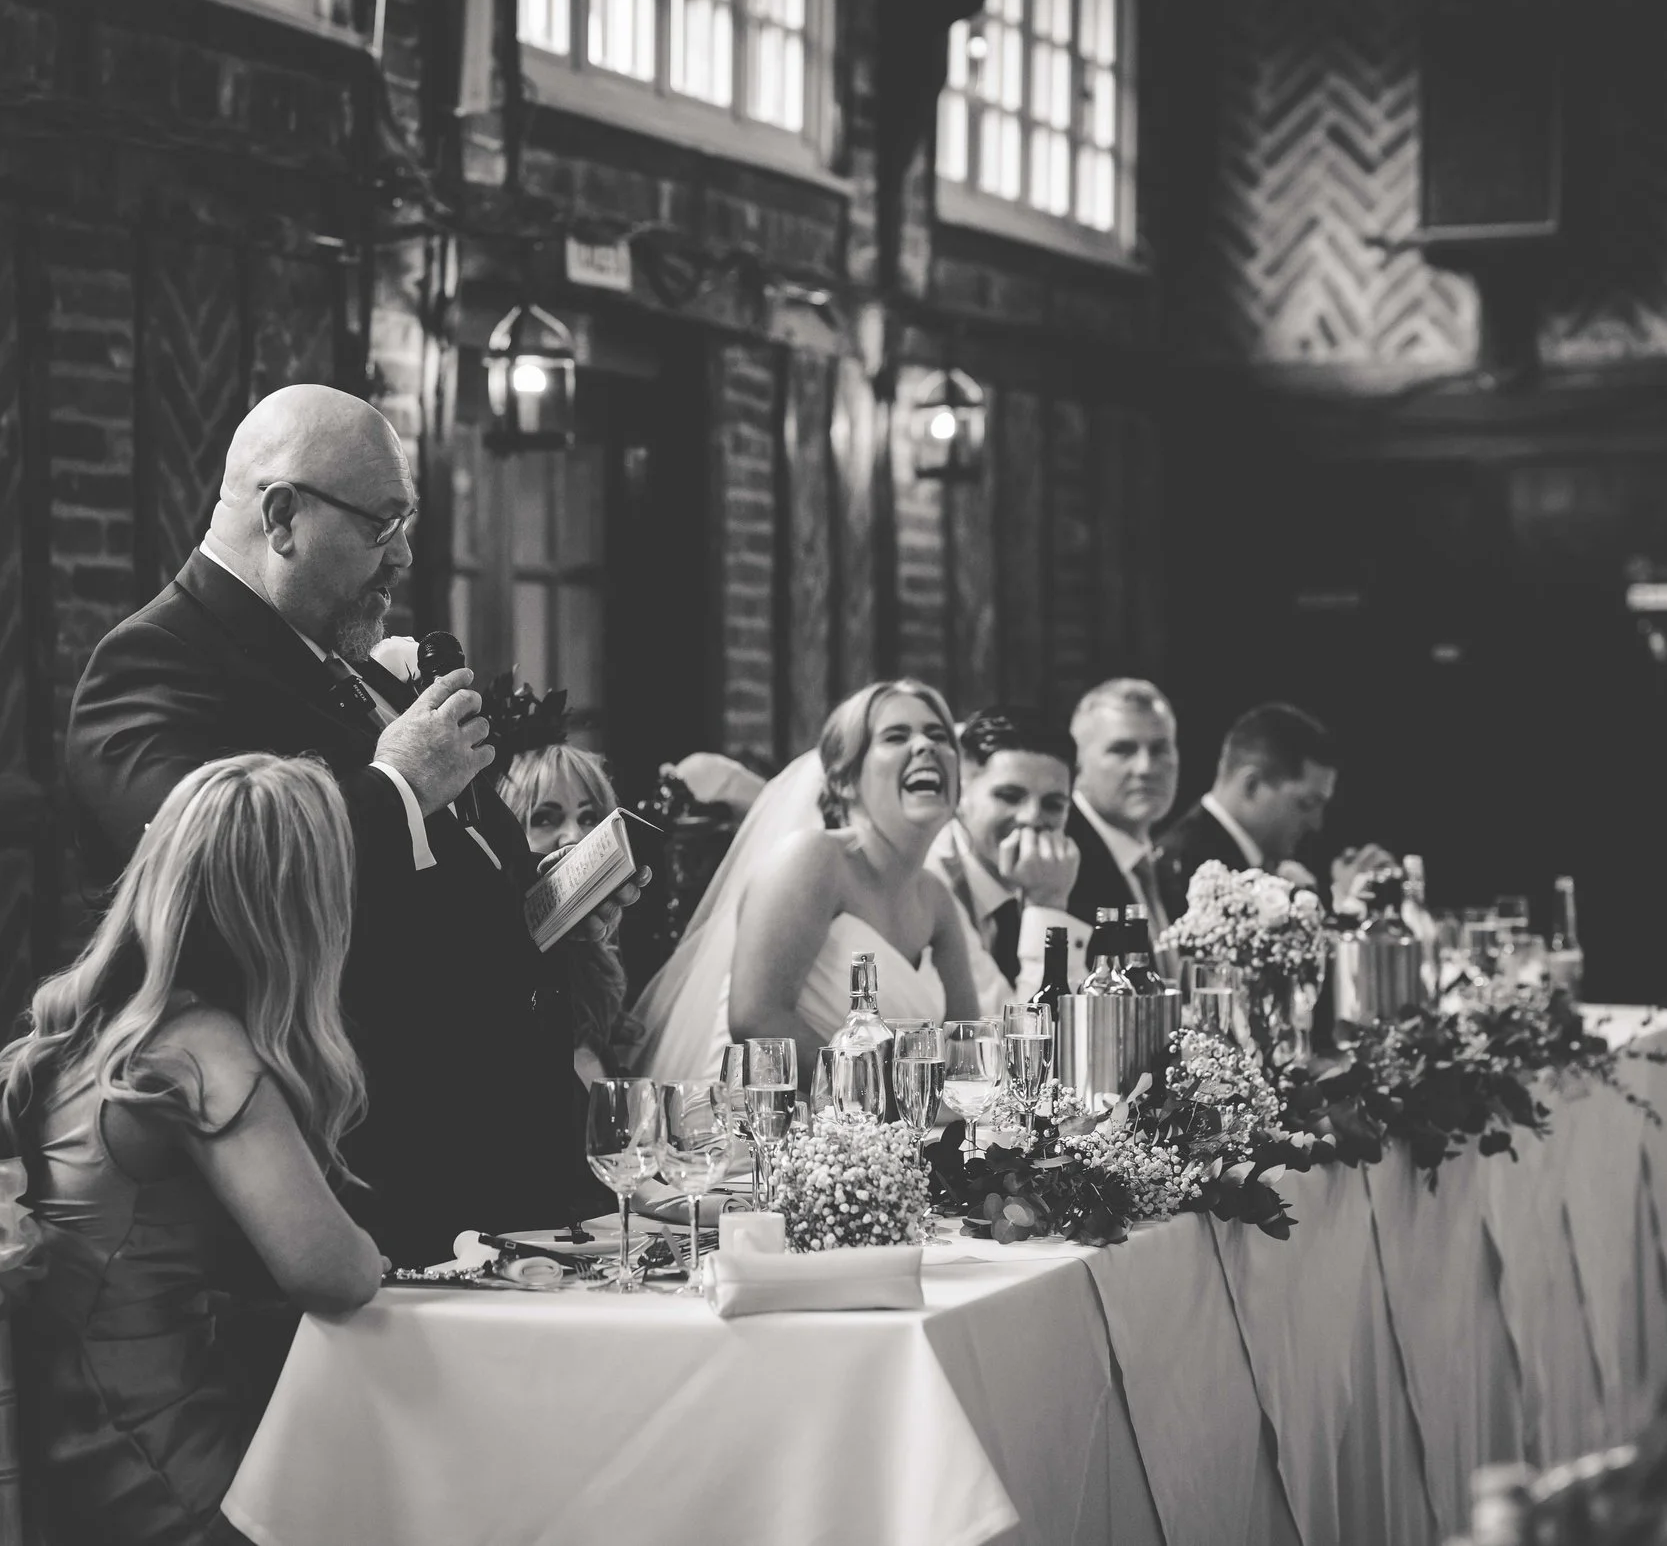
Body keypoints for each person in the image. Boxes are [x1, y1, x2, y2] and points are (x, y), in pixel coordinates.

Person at [62, 383, 639, 1266]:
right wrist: (395, 783)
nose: (404, 554)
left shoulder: (350, 663)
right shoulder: (153, 666)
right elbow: (215, 885)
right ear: (283, 516)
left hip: (515, 1181)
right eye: (382, 525)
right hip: (376, 1185)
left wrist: (560, 895)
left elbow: (447, 877)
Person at [0, 755, 385, 1546]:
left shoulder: (93, 1030)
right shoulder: (197, 1052)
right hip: (159, 1474)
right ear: (293, 911)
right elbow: (336, 1271)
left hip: (67, 1443)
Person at [631, 679, 985, 1081]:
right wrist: (880, 1095)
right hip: (762, 1116)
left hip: (886, 1129)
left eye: (938, 735)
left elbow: (966, 1043)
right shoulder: (812, 860)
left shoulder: (937, 898)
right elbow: (756, 1020)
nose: (926, 746)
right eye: (895, 736)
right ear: (843, 781)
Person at [495, 741, 644, 1083]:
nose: (574, 837)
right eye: (545, 818)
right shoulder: (497, 977)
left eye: (590, 818)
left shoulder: (597, 969)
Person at [928, 705, 1090, 1010]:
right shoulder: (932, 882)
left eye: (1053, 805)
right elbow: (1013, 1039)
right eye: (1010, 796)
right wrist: (1047, 906)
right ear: (959, 796)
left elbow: (1078, 1033)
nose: (1031, 818)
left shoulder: (1062, 872)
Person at [1155, 702, 1396, 906]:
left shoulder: (1253, 860)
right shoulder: (1184, 871)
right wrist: (1347, 906)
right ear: (1252, 786)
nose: (1316, 823)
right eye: (1306, 804)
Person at [1063, 677, 1187, 938]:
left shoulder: (1171, 864)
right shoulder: (1062, 866)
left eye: (1159, 749)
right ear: (1077, 766)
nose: (1146, 768)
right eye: (1123, 750)